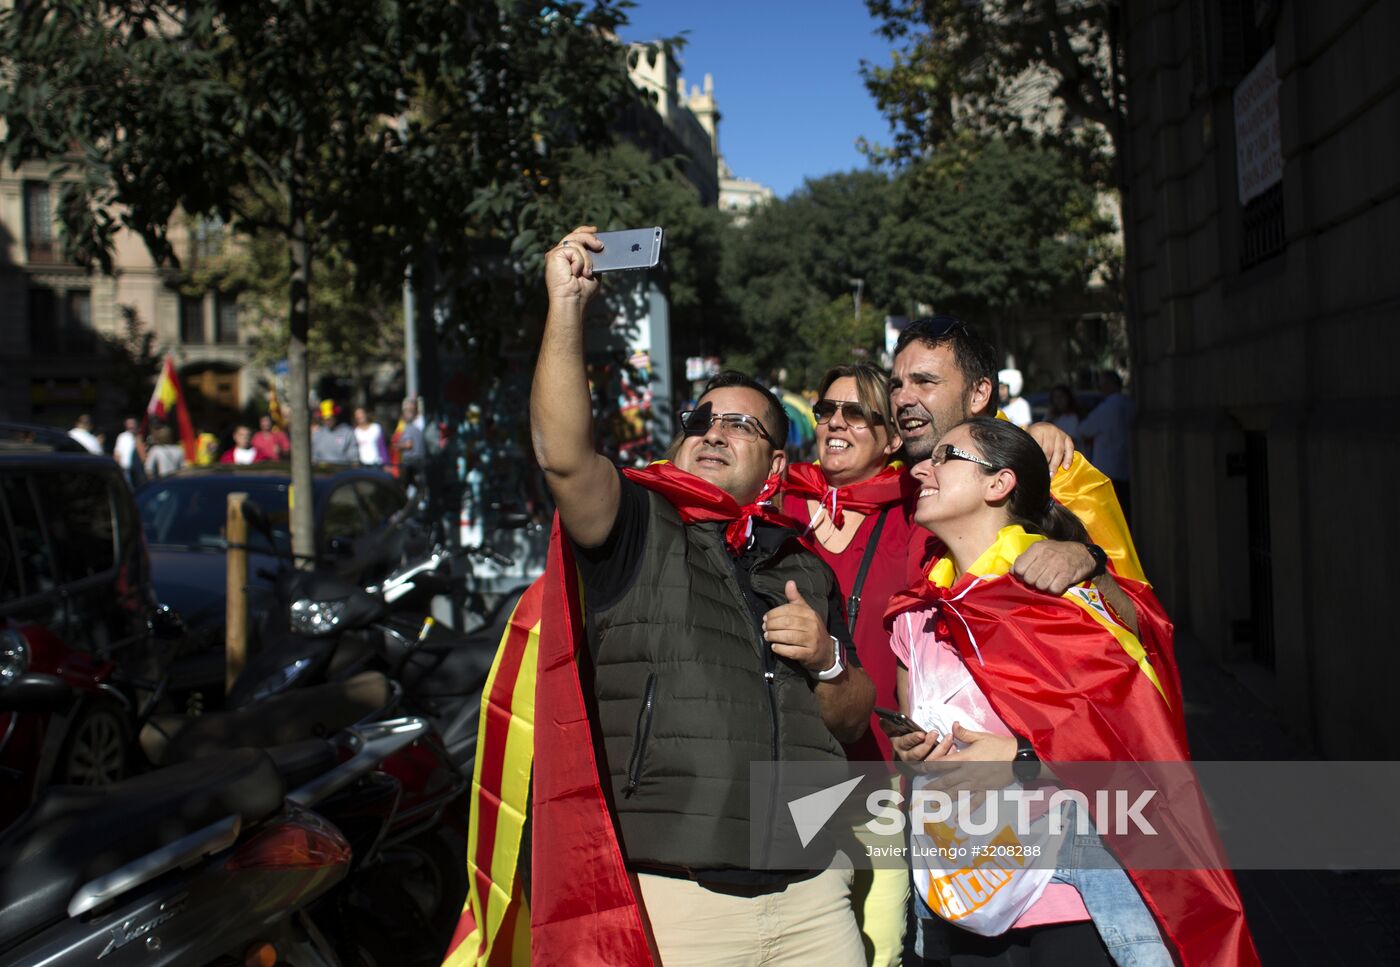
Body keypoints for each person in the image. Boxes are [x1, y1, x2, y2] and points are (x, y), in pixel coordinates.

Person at [529, 226, 875, 965]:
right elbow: (563, 456)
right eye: (699, 419)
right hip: (679, 903)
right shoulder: (638, 521)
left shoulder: (805, 563)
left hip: (814, 895)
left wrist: (826, 657)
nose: (711, 431)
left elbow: (851, 719)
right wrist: (567, 307)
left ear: (778, 462)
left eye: (739, 423)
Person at [883, 417, 1259, 967]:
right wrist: (914, 752)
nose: (922, 468)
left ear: (998, 484)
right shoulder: (916, 614)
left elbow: (1140, 750)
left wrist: (1021, 760)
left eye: (945, 457)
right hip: (958, 891)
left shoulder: (1063, 599)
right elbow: (912, 743)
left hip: (1078, 895)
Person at [890, 316, 1144, 595]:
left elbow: (1142, 622)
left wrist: (1089, 562)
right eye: (896, 386)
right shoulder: (899, 476)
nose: (902, 399)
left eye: (925, 381)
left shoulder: (1054, 468)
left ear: (979, 393)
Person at [1077, 371, 1135, 519]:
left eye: (1101, 383)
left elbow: (1085, 429)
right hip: (1126, 466)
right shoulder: (1130, 403)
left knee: (1112, 515)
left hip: (1108, 467)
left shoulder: (1107, 408)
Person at [311, 400, 356, 464]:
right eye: (325, 419)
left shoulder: (347, 432)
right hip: (322, 471)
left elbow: (353, 456)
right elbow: (314, 456)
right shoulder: (318, 434)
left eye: (330, 418)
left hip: (343, 470)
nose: (328, 421)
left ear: (335, 417)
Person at [112, 417, 147, 486]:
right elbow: (117, 453)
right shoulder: (122, 437)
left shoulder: (140, 437)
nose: (131, 426)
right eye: (129, 424)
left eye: (133, 423)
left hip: (138, 470)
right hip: (125, 469)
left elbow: (143, 455)